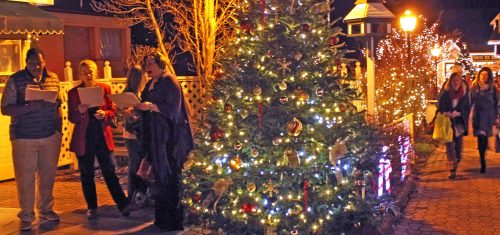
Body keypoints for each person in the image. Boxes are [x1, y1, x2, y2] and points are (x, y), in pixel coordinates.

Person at [1, 48, 63, 231]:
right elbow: (5, 108)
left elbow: (58, 103)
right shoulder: (15, 80)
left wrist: (58, 130)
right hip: (24, 137)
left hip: (49, 135)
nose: (37, 67)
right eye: (33, 64)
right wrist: (29, 107)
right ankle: (27, 215)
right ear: (26, 63)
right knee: (25, 178)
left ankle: (45, 208)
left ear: (45, 62)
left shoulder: (53, 78)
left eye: (40, 63)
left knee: (48, 176)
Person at [135, 51, 194, 231]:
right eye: (146, 63)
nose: (148, 67)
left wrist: (152, 107)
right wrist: (136, 110)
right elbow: (145, 105)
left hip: (171, 139)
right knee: (160, 177)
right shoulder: (151, 84)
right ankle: (161, 218)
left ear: (160, 64)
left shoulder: (170, 81)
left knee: (171, 176)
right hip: (156, 137)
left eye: (151, 63)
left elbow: (174, 110)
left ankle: (173, 221)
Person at [68, 59, 131, 219]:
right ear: (80, 75)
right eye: (85, 73)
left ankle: (123, 205)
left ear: (96, 73)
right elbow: (72, 117)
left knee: (110, 171)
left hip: (102, 135)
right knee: (86, 173)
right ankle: (92, 207)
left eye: (91, 72)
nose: (88, 75)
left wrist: (105, 114)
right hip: (84, 138)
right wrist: (80, 111)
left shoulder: (104, 88)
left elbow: (112, 110)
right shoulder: (74, 93)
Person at [121, 65, 147, 202]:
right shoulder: (129, 94)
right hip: (132, 134)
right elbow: (125, 112)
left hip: (139, 133)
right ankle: (131, 194)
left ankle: (140, 193)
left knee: (140, 164)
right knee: (134, 164)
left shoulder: (141, 93)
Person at [437, 72, 470, 179]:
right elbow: (440, 107)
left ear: (460, 82)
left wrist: (459, 113)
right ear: (450, 82)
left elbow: (467, 108)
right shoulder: (446, 94)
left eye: (458, 80)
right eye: (454, 80)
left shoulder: (464, 94)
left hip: (459, 123)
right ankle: (452, 170)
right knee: (450, 146)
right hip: (448, 123)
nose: (456, 83)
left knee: (458, 149)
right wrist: (447, 113)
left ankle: (455, 162)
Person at [470, 67, 498, 174]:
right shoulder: (475, 87)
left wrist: (496, 116)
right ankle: (482, 159)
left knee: (484, 138)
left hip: (488, 117)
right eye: (482, 74)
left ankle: (483, 160)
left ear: (489, 76)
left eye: (486, 75)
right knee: (480, 139)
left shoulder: (492, 88)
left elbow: (496, 103)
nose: (483, 77)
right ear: (479, 75)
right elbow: (470, 101)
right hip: (478, 116)